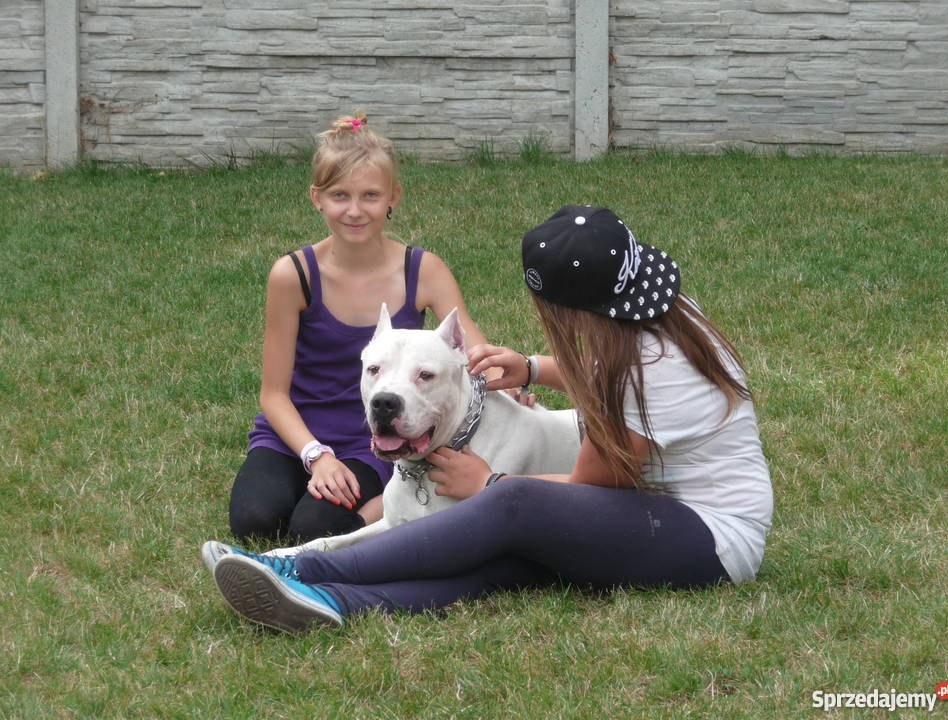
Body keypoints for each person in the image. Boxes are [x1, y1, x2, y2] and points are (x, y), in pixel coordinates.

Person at [208, 205, 774, 633]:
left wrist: (491, 483)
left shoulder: (652, 368)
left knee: (512, 506)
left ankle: (303, 573)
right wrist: (530, 368)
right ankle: (330, 604)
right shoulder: (651, 311)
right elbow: (604, 371)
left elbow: (590, 484)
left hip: (709, 535)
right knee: (506, 562)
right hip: (659, 509)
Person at [229, 109, 490, 545]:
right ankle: (357, 498)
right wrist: (316, 458)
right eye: (339, 196)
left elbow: (472, 345)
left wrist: (505, 374)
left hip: (381, 435)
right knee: (255, 519)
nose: (354, 210)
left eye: (370, 195)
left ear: (394, 197)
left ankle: (383, 505)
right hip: (296, 433)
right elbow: (273, 393)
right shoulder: (293, 274)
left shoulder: (422, 269)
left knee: (312, 528)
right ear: (316, 197)